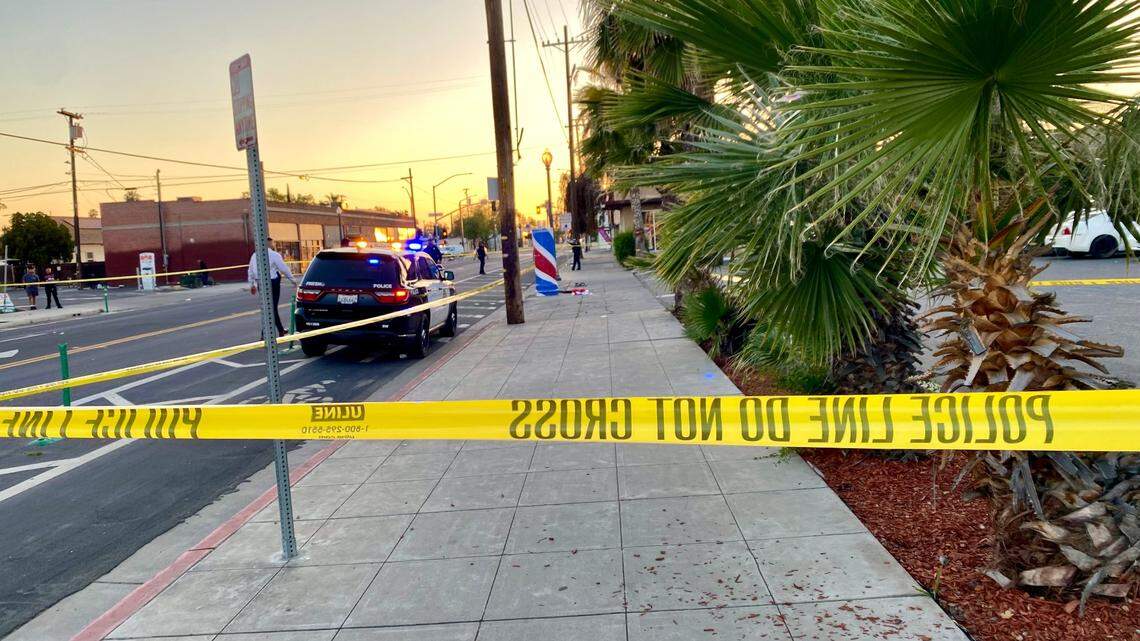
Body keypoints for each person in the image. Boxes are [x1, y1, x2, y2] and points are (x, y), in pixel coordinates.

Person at [247, 238, 298, 337]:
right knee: (272, 307)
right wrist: (293, 280)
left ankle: (279, 330)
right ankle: (266, 334)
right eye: (272, 243)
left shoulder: (255, 255)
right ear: (269, 244)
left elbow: (251, 270)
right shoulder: (274, 255)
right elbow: (284, 268)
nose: (273, 244)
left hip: (260, 283)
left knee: (268, 307)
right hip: (272, 282)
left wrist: (252, 284)